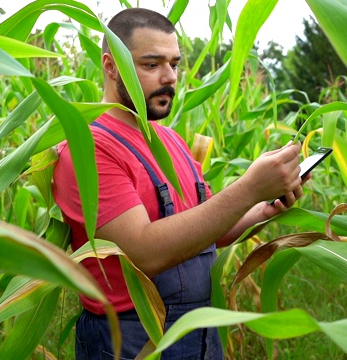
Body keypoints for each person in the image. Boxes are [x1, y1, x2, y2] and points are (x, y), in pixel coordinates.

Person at [52, 7, 306, 360]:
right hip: (132, 339)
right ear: (111, 66)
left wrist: (265, 205)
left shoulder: (172, 142)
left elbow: (208, 231)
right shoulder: (88, 148)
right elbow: (143, 252)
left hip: (201, 330)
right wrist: (248, 188)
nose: (169, 76)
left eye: (174, 64)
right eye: (152, 65)